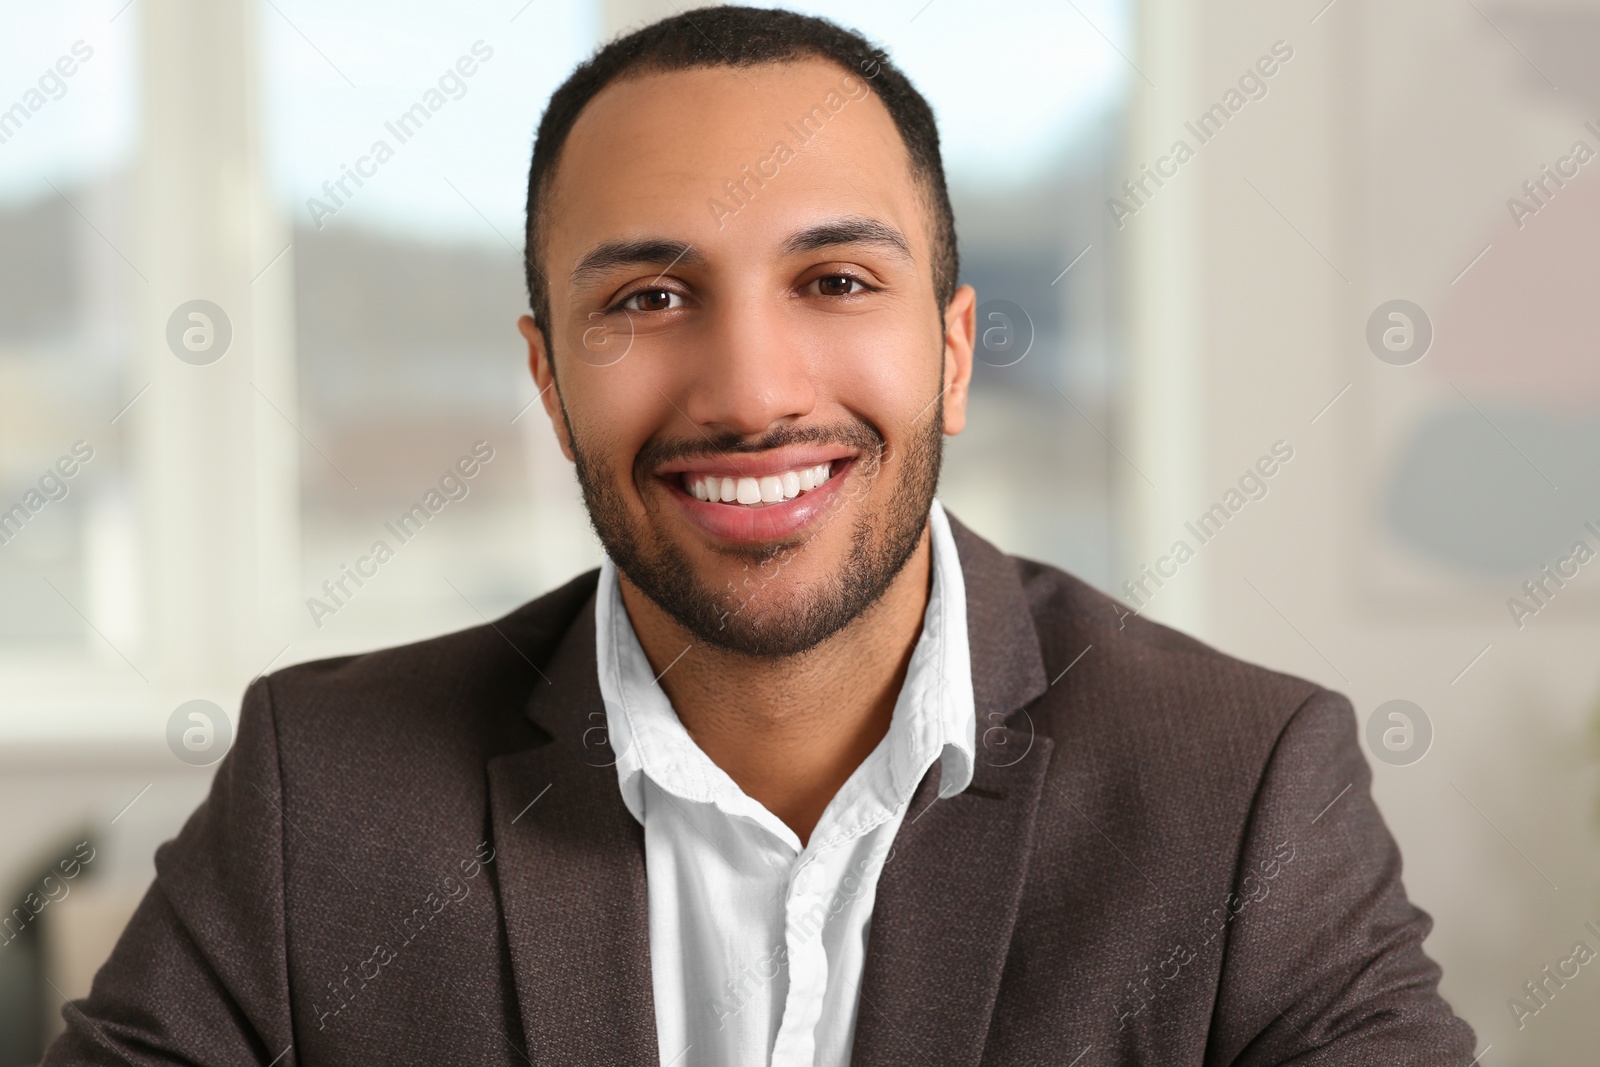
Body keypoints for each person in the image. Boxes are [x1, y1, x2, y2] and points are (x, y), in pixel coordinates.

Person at [45, 6, 1476, 1065]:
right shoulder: (326, 788)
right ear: (549, 381)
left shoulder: (1243, 791)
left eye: (837, 279)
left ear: (956, 353)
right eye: (651, 301)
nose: (751, 393)